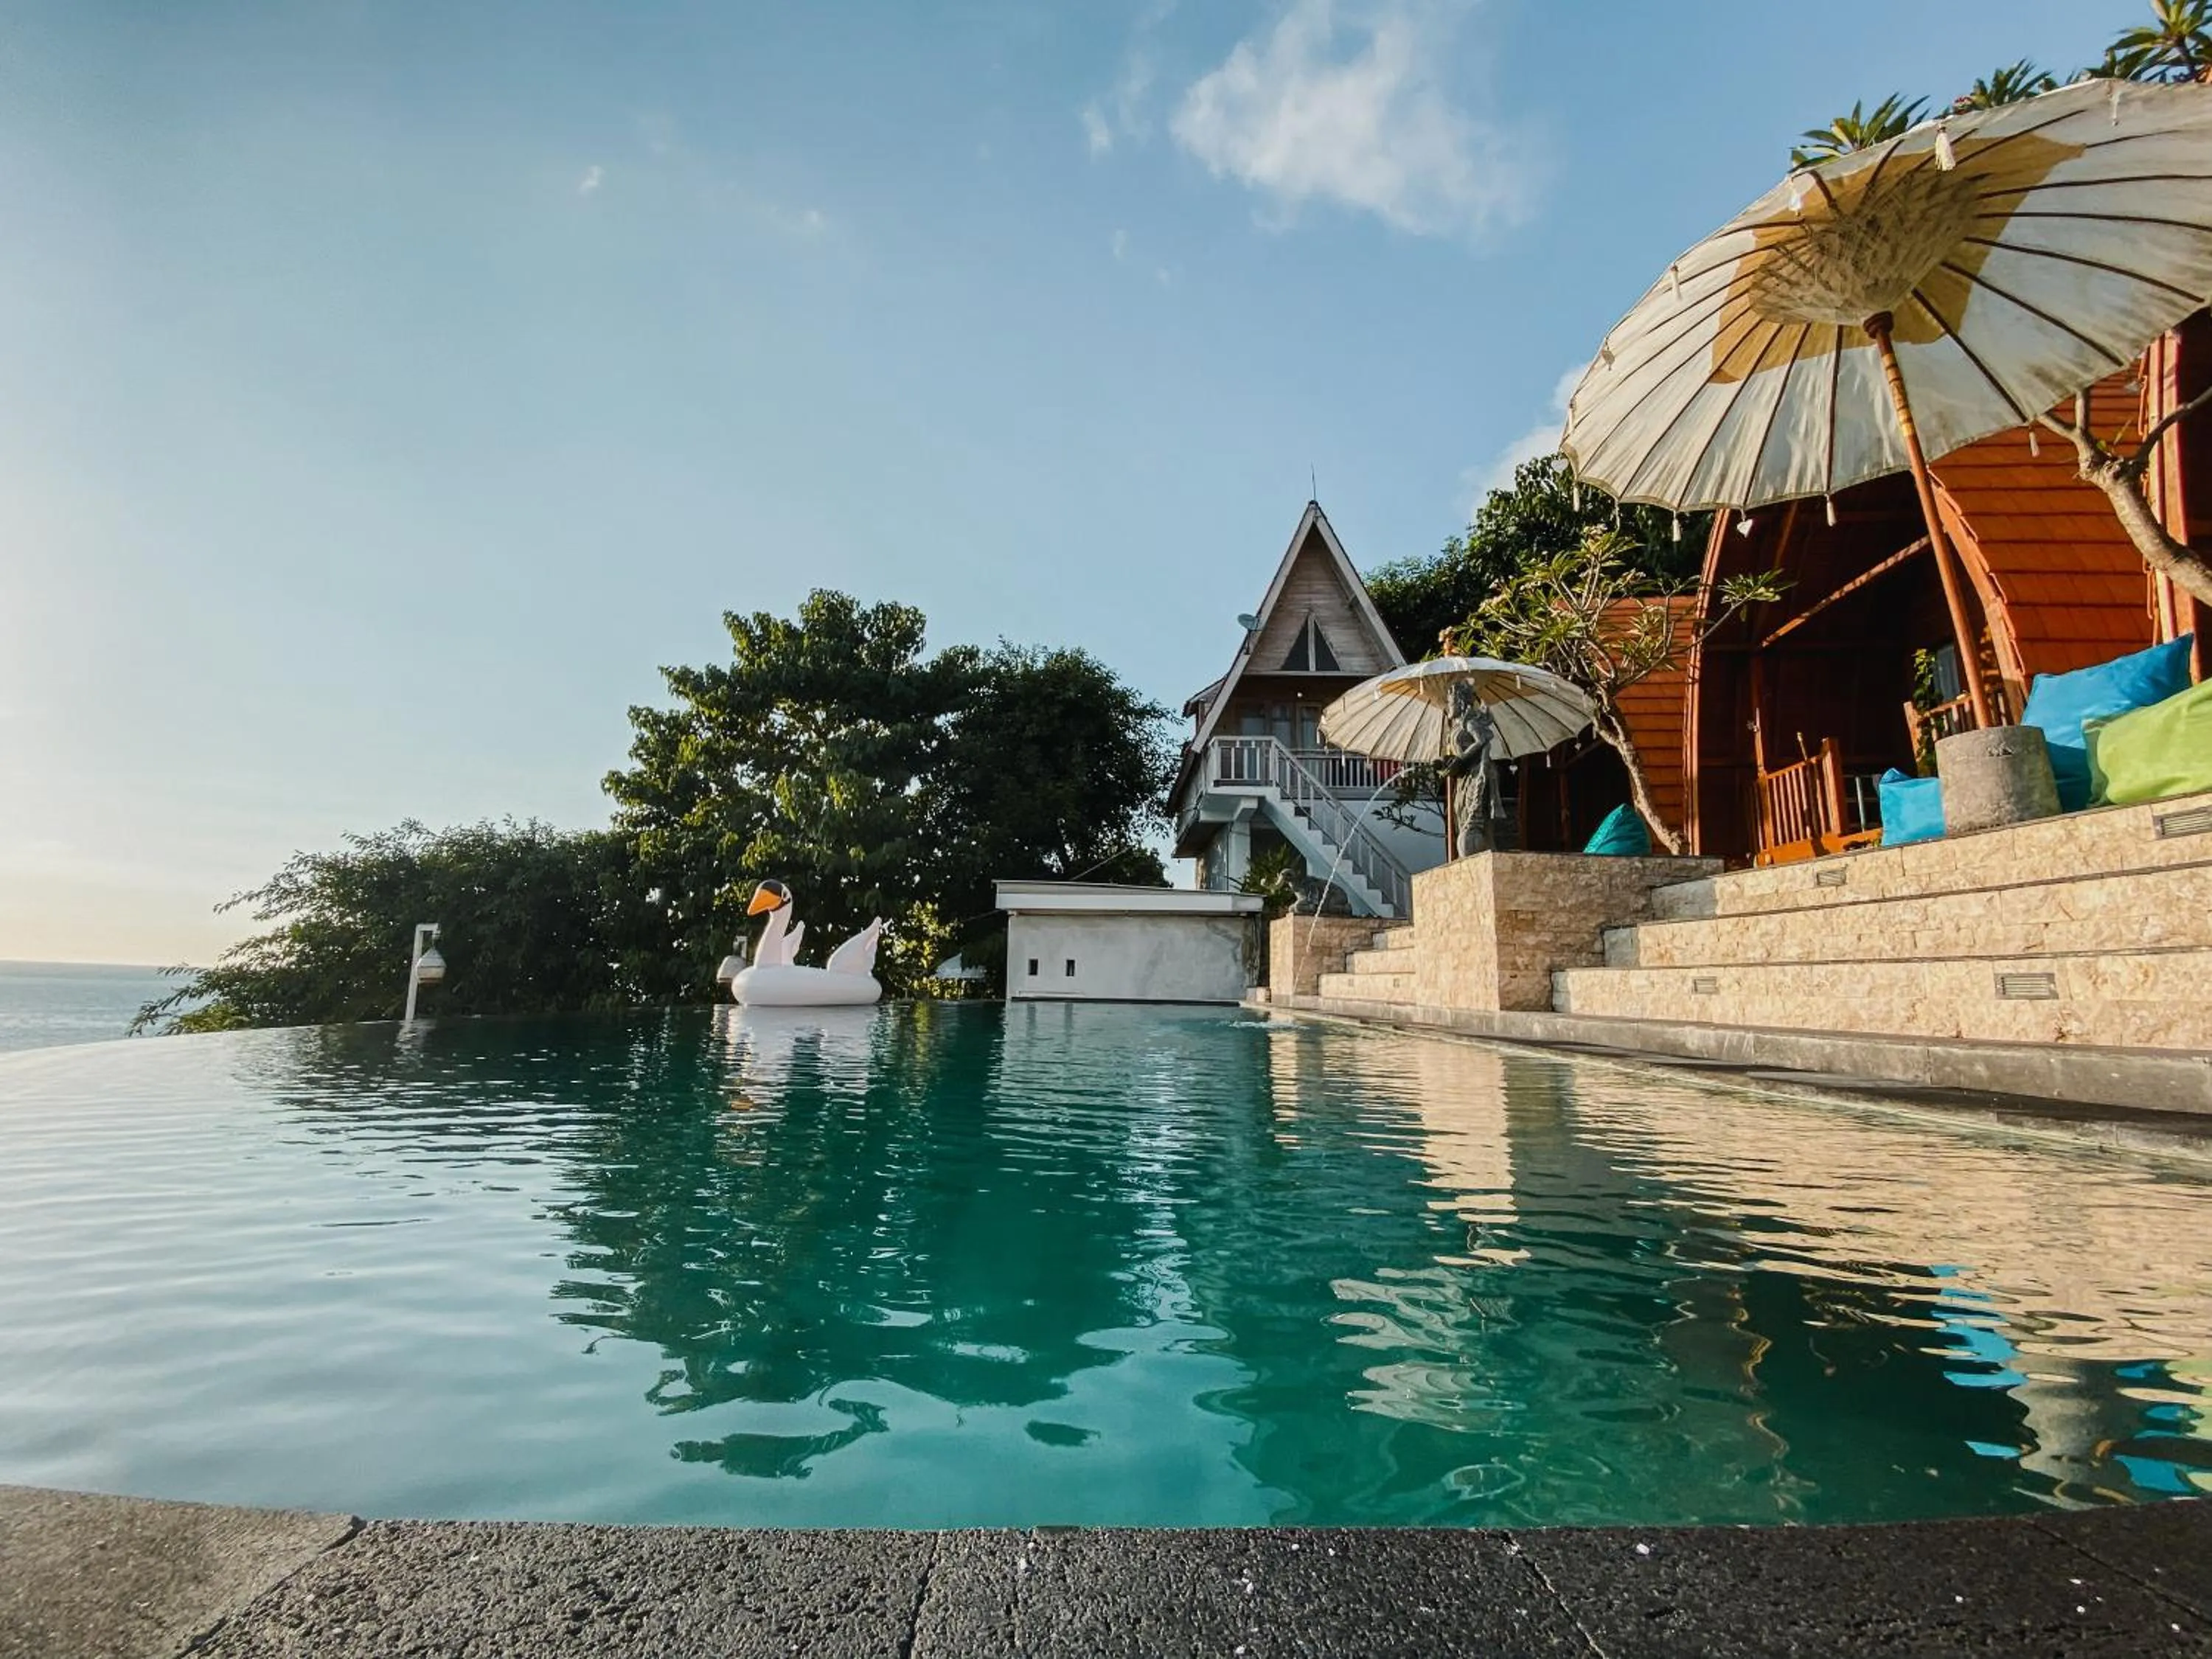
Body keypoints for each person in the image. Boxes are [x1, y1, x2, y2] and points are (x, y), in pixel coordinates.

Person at [1446, 681, 1506, 857]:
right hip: (1465, 776)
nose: (1448, 707)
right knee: (1462, 813)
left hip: (1478, 772)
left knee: (1476, 814)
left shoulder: (1470, 722)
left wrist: (1461, 758)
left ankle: (1484, 849)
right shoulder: (1457, 725)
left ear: (1460, 703)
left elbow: (1482, 740)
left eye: (1450, 702)